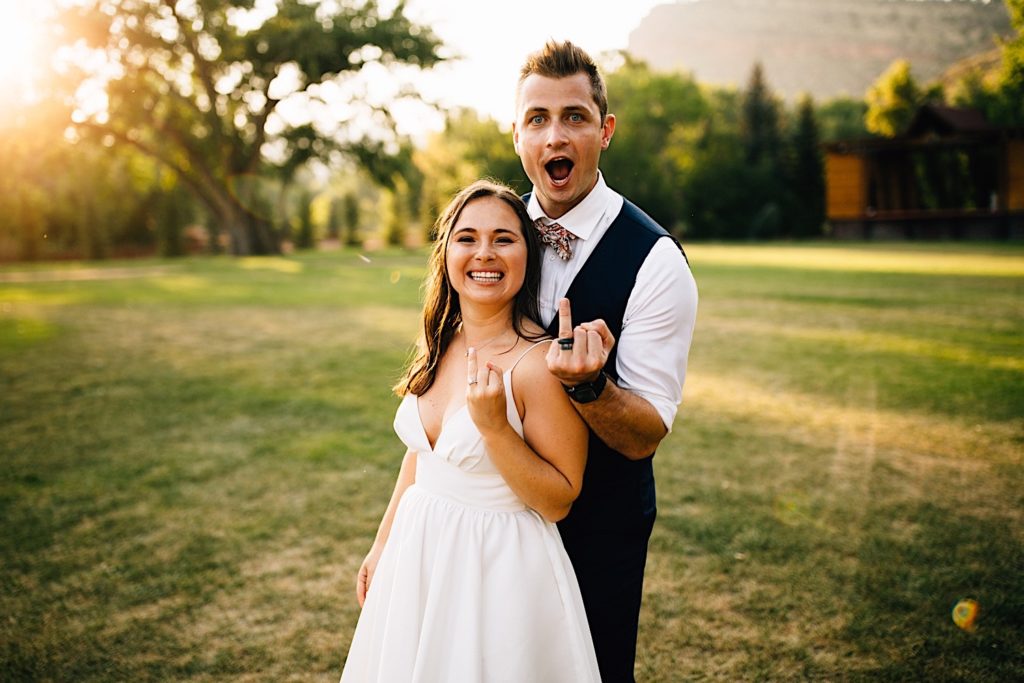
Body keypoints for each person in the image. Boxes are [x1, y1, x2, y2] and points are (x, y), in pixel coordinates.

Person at [339, 180, 601, 682]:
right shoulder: (441, 339)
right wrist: (382, 543)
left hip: (495, 569)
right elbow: (421, 456)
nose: (485, 253)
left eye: (504, 238)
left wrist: (496, 430)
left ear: (528, 255)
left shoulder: (538, 365)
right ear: (447, 253)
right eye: (467, 238)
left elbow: (559, 499)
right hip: (419, 551)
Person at [512, 40, 699, 682]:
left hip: (600, 526)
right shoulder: (493, 237)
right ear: (517, 135)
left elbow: (646, 433)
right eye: (537, 118)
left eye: (574, 116)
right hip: (501, 515)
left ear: (604, 130)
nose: (554, 134)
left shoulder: (655, 262)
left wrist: (591, 388)